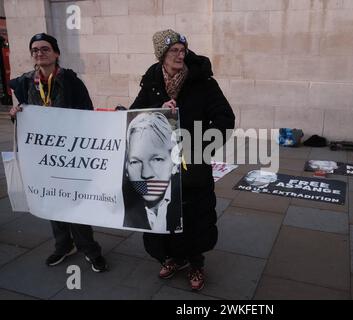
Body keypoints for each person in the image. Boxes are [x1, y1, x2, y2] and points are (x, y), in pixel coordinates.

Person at [128, 29, 235, 291]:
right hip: (159, 168)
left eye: (182, 49)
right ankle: (170, 258)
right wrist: (156, 113)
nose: (179, 54)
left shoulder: (203, 82)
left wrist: (198, 146)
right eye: (173, 50)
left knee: (195, 215)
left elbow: (225, 118)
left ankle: (196, 263)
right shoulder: (152, 81)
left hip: (192, 164)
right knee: (162, 215)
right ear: (161, 55)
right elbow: (135, 115)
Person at [8, 33, 108, 272]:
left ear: (56, 53)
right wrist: (15, 116)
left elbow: (87, 116)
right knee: (51, 199)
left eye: (44, 49)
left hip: (70, 156)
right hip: (42, 156)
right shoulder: (24, 83)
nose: (39, 53)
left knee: (76, 204)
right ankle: (63, 245)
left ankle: (90, 249)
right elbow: (24, 124)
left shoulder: (72, 82)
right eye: (35, 50)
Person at [122, 112, 182, 233]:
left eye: (157, 159)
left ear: (175, 163)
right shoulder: (124, 212)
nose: (146, 173)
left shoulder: (188, 203)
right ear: (126, 168)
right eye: (135, 162)